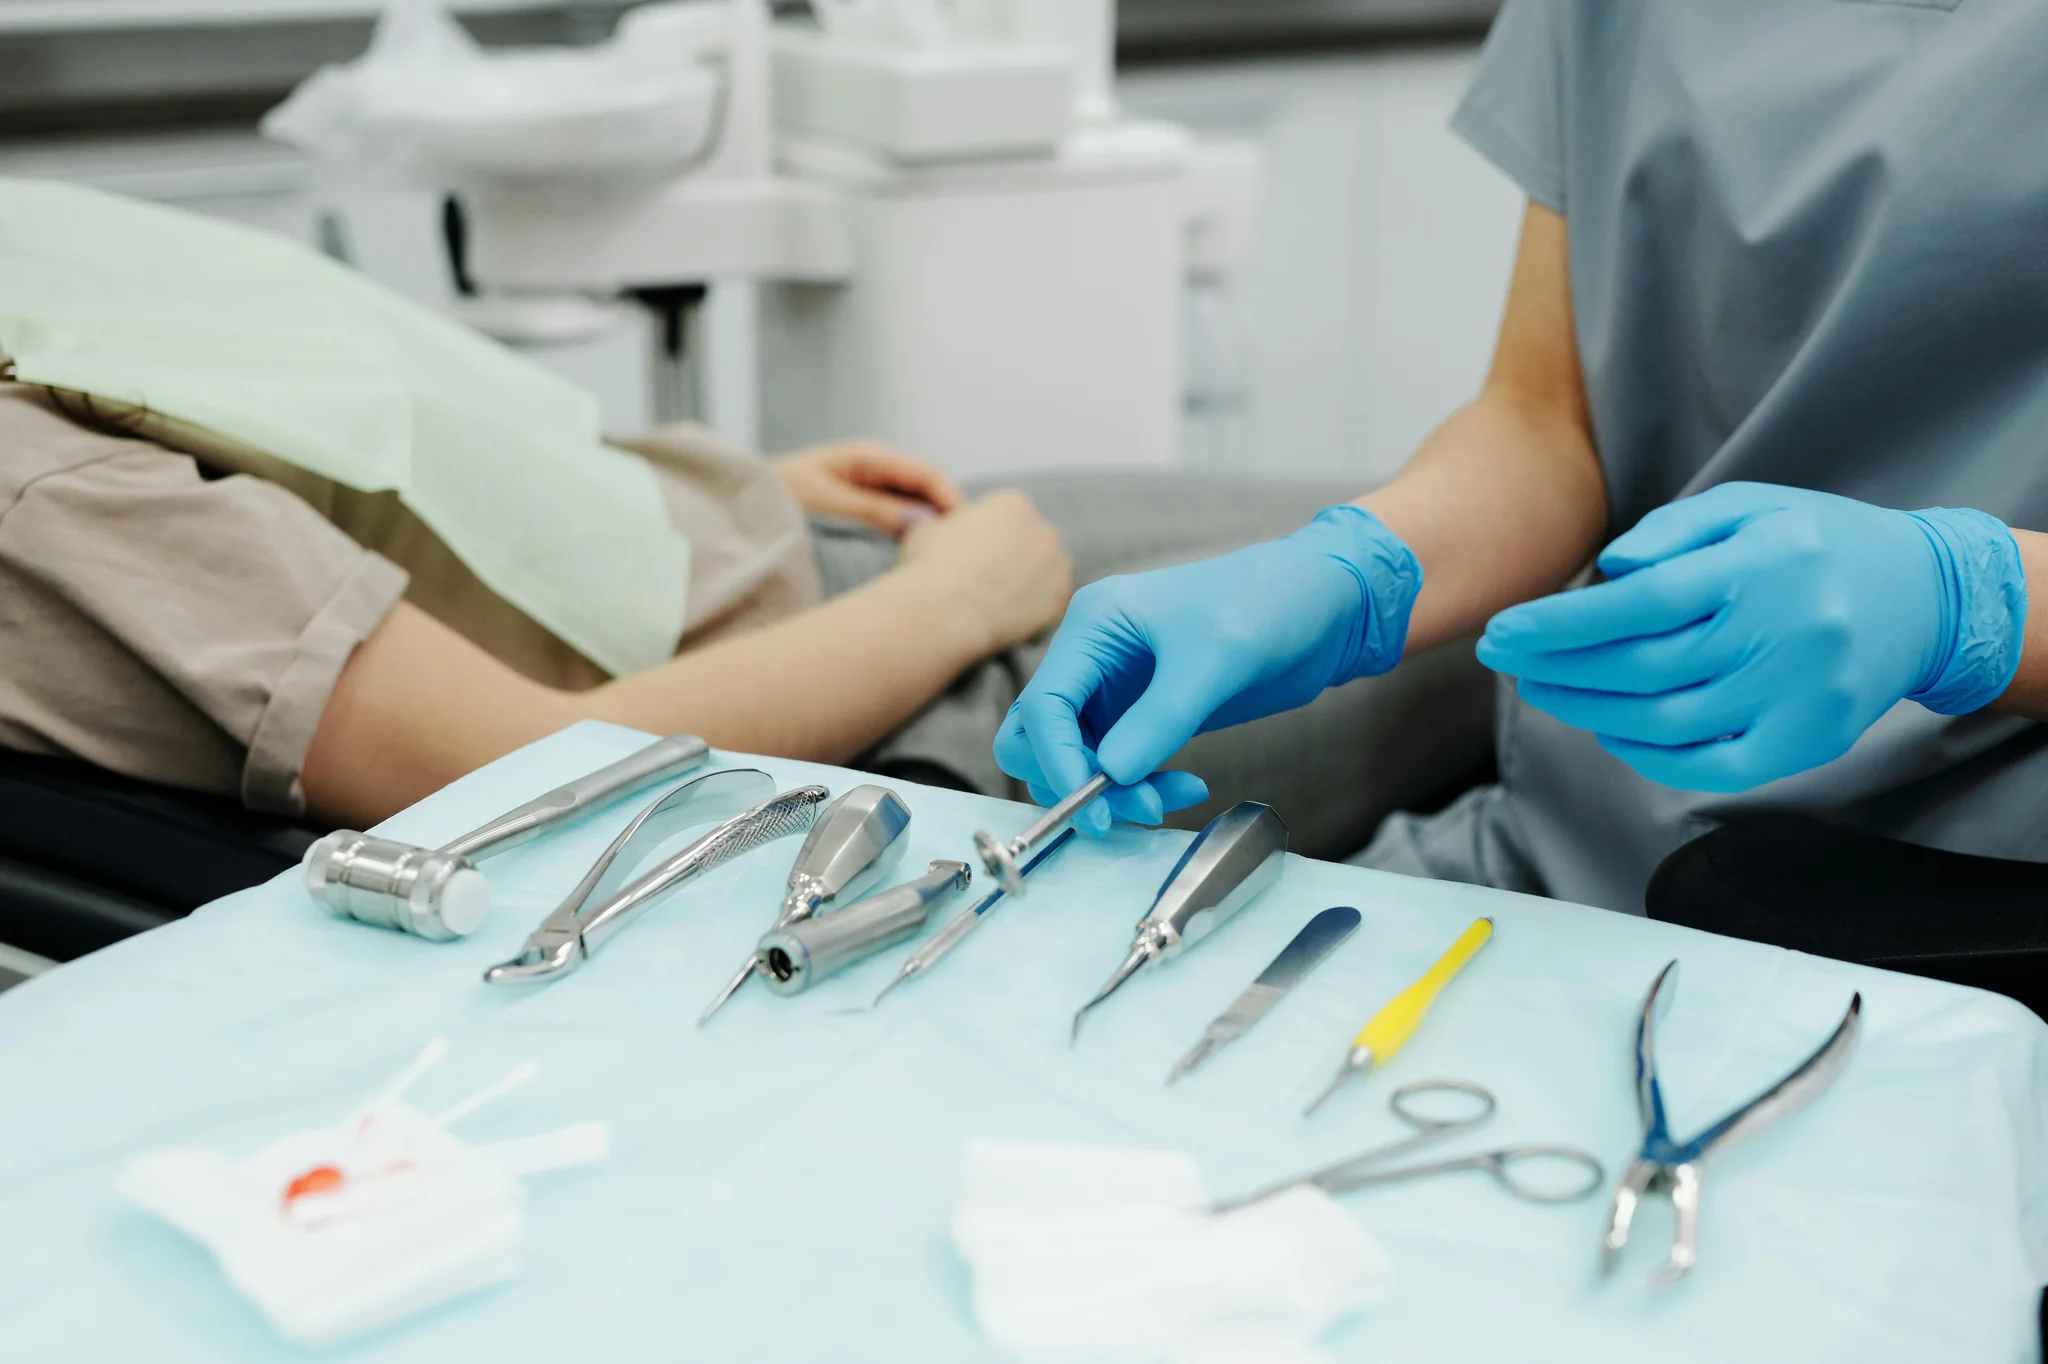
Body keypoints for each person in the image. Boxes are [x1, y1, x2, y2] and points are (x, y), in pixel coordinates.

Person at [0, 185, 1491, 850]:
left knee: (1439, 547)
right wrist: (954, 605)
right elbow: (516, 774)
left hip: (789, 572)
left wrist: (707, 488)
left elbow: (270, 447)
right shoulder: (25, 499)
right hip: (853, 701)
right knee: (1500, 632)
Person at [996, 0, 2048, 914]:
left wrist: (1967, 606)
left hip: (1962, 915)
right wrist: (1346, 574)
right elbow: (1547, 425)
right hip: (1566, 859)